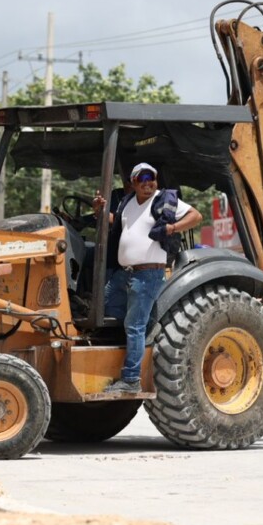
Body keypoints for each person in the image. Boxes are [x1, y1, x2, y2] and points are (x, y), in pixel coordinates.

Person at [93, 162, 202, 394]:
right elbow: (120, 224)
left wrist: (172, 228)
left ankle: (131, 379)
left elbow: (196, 216)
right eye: (142, 179)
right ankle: (149, 326)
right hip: (125, 273)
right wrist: (100, 211)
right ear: (133, 183)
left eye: (151, 178)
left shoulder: (163, 200)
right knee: (103, 306)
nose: (148, 183)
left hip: (148, 275)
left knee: (134, 326)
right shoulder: (127, 203)